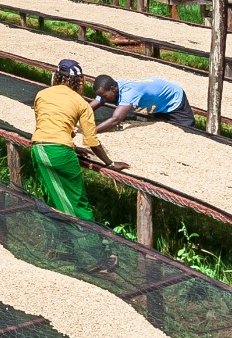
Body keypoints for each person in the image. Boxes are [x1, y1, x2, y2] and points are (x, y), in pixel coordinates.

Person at [30, 59, 129, 219]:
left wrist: (73, 147)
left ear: (56, 76)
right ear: (79, 81)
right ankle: (88, 237)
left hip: (38, 149)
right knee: (78, 201)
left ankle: (61, 234)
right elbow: (91, 140)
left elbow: (48, 126)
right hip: (59, 154)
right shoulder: (81, 103)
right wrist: (110, 163)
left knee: (54, 197)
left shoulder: (42, 94)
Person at [89, 74, 194, 131]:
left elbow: (115, 119)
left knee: (187, 129)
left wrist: (91, 132)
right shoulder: (111, 89)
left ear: (113, 89)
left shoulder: (129, 93)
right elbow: (89, 108)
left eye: (104, 96)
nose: (103, 99)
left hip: (172, 98)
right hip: (155, 101)